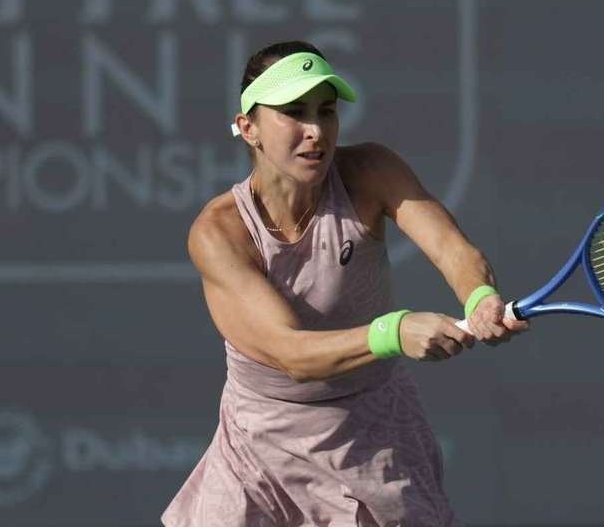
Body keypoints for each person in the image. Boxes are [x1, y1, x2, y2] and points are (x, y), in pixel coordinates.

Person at [161, 41, 529, 526]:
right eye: (294, 112)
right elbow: (290, 353)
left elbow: (451, 249)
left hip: (375, 439)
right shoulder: (219, 234)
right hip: (260, 450)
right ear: (248, 128)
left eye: (326, 111)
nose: (315, 131)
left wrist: (479, 297)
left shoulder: (371, 171)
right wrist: (393, 331)